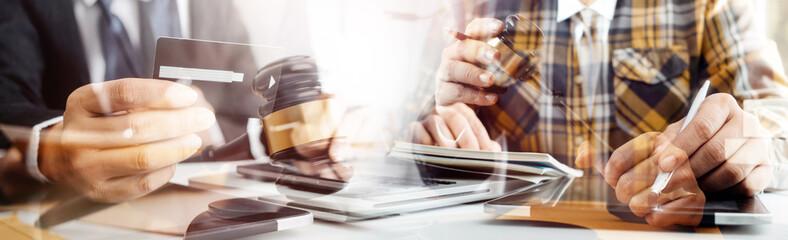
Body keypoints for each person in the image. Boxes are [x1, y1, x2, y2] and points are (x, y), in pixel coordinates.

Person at [411, 0, 788, 227]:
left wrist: (750, 149)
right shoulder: (473, 7)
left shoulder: (710, 5)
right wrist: (437, 127)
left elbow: (777, 123)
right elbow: (404, 125)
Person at [0, 0, 351, 204]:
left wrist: (295, 137)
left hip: (206, 204)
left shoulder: (215, 7)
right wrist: (53, 149)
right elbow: (8, 101)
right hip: (71, 212)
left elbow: (248, 105)